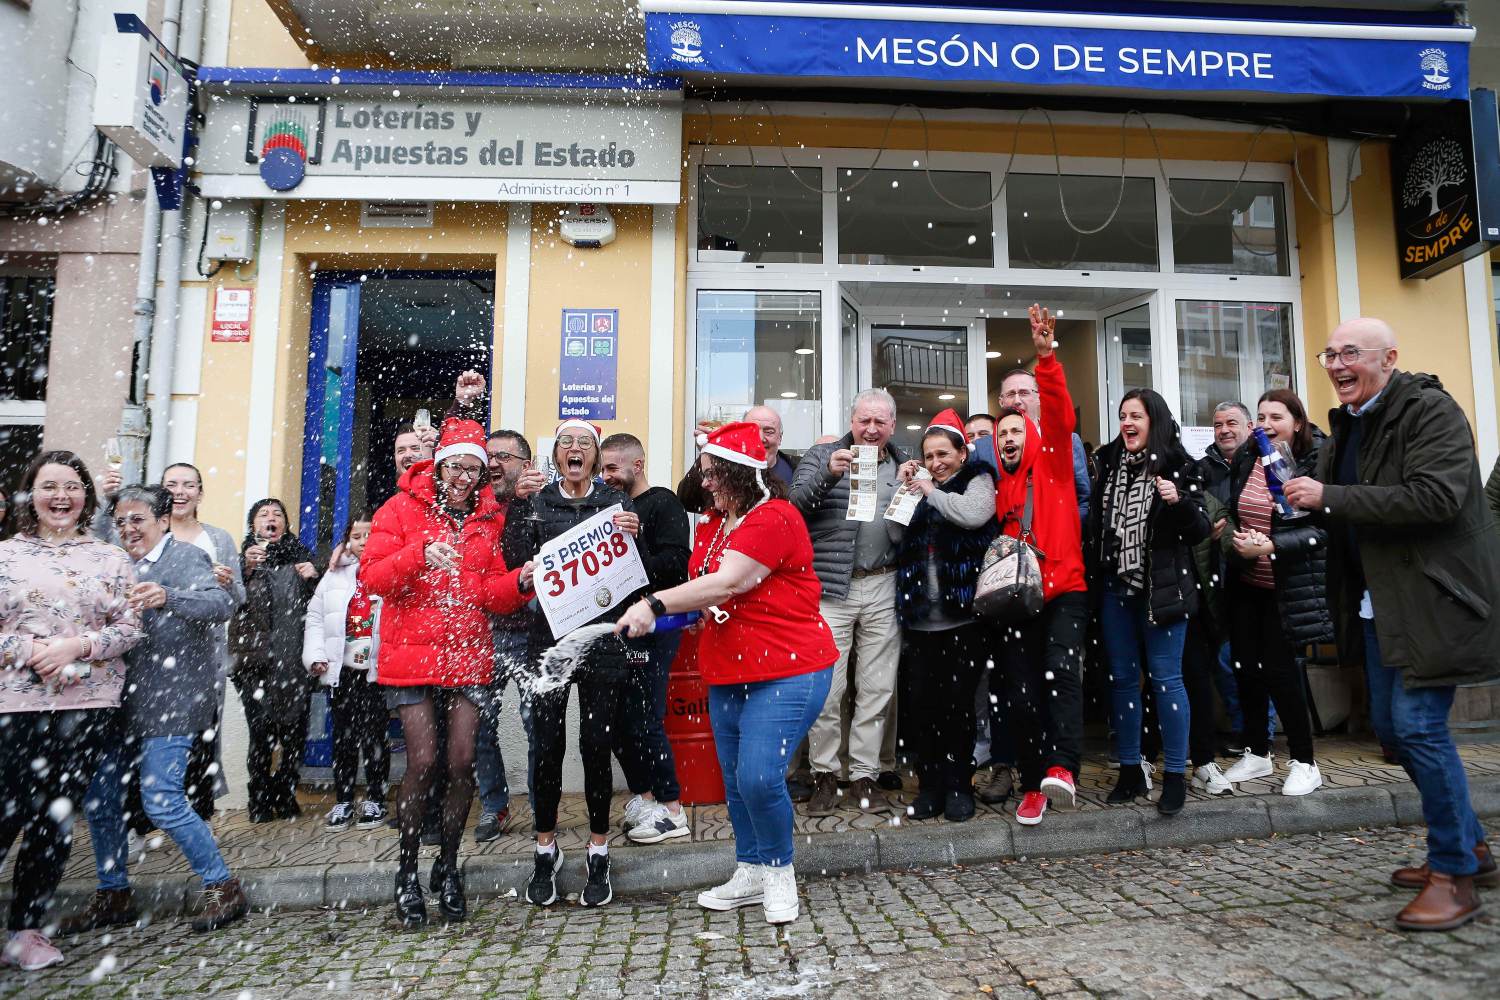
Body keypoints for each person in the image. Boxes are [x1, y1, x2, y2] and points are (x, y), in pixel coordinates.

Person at [1284, 317, 1500, 931]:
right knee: (1393, 729)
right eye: (1330, 353)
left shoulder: (1429, 411)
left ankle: (1454, 873)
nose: (1337, 363)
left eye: (1352, 352)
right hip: (1382, 605)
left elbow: (1434, 497)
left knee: (1418, 726)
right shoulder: (1348, 424)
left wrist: (1326, 498)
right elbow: (1347, 511)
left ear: (1390, 358)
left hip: (1435, 599)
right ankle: (1473, 846)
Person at [616, 422, 836, 924]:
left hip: (788, 669)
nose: (707, 481)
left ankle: (780, 873)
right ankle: (750, 868)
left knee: (760, 777)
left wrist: (653, 601)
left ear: (741, 473)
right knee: (737, 782)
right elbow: (705, 602)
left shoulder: (775, 517)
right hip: (730, 671)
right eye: (706, 471)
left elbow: (727, 584)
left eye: (716, 472)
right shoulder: (715, 526)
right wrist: (655, 619)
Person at [363, 417, 527, 928]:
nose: (461, 478)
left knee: (461, 762)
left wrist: (525, 580)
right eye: (454, 467)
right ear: (438, 466)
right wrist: (417, 556)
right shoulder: (399, 508)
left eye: (472, 470)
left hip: (466, 653)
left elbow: (492, 594)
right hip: (411, 655)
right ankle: (408, 869)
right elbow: (372, 576)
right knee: (424, 762)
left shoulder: (490, 519)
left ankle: (449, 867)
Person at [65, 485, 244, 936]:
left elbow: (221, 604)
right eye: (121, 521)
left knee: (161, 800)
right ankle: (114, 893)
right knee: (101, 801)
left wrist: (169, 597)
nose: (128, 529)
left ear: (163, 521)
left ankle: (223, 886)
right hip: (114, 702)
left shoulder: (185, 557)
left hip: (171, 701)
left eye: (137, 520)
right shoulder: (111, 561)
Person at [0, 451, 141, 971]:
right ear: (29, 494)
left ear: (86, 495)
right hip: (15, 705)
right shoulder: (6, 556)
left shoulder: (109, 557)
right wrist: (32, 652)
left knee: (54, 817)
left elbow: (129, 628)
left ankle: (27, 930)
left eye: (71, 487)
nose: (61, 497)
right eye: (49, 486)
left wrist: (78, 646)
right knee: (7, 810)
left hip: (87, 704)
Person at [502, 418, 645, 910]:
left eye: (585, 443)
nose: (576, 449)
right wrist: (517, 508)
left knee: (596, 745)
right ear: (556, 455)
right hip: (549, 644)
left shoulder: (615, 502)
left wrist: (636, 530)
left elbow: (637, 575)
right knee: (546, 746)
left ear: (596, 453)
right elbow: (514, 562)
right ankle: (545, 848)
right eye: (567, 443)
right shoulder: (536, 502)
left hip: (601, 642)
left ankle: (598, 847)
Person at [989, 305, 1090, 827]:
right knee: (1021, 693)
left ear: (1031, 433)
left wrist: (1046, 356)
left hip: (1064, 589)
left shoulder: (1052, 459)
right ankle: (1032, 784)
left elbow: (1059, 413)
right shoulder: (997, 482)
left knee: (1060, 677)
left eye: (1016, 430)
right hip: (1016, 598)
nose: (1008, 437)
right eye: (1000, 432)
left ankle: (1063, 768)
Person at [1089, 389, 1210, 817]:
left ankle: (1174, 775)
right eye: (1122, 415)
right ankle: (1130, 770)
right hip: (1114, 589)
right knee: (1121, 681)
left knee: (1166, 680)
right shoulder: (1105, 462)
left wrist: (1176, 503)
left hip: (1161, 590)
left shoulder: (1180, 465)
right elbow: (1097, 525)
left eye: (1135, 416)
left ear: (1153, 421)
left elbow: (1199, 530)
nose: (1127, 423)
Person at [790, 390, 908, 816]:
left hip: (884, 582)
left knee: (877, 689)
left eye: (880, 422)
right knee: (827, 689)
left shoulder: (902, 463)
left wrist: (915, 489)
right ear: (852, 421)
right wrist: (828, 475)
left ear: (892, 426)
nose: (871, 430)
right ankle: (825, 774)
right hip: (831, 589)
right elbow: (793, 508)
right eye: (864, 421)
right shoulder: (823, 454)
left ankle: (863, 775)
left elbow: (911, 525)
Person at [1219, 390, 1332, 796]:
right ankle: (1257, 752)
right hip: (1247, 580)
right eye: (1261, 416)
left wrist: (1271, 546)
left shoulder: (1315, 460)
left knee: (1282, 674)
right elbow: (1236, 510)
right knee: (1245, 667)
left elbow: (1323, 530)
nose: (1266, 424)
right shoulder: (1250, 454)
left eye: (1276, 417)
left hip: (1288, 586)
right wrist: (1235, 534)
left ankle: (1305, 761)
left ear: (1297, 422)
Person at [889, 410, 997, 823]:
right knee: (923, 708)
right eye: (929, 455)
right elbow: (897, 535)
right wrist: (906, 492)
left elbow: (972, 515)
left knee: (958, 708)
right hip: (920, 620)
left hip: (963, 618)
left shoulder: (977, 480)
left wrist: (931, 489)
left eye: (943, 454)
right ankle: (930, 786)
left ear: (962, 453)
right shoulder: (920, 488)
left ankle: (959, 785)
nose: (936, 462)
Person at [600, 433, 693, 844]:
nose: (605, 477)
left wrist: (634, 540)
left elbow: (675, 569)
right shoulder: (605, 506)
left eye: (611, 468)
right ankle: (645, 796)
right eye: (601, 468)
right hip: (618, 629)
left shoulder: (663, 503)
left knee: (645, 717)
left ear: (636, 465)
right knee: (618, 723)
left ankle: (673, 810)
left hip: (655, 630)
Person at [473, 426, 546, 843]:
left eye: (504, 456)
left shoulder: (542, 503)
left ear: (526, 465)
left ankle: (541, 807)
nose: (495, 463)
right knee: (481, 726)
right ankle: (494, 806)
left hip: (531, 633)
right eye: (490, 456)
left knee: (537, 724)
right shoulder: (475, 507)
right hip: (482, 632)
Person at [161, 462, 245, 820]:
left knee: (201, 735)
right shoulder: (148, 533)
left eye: (188, 485)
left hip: (202, 654)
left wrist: (226, 585)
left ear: (200, 493)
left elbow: (239, 597)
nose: (180, 492)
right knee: (149, 737)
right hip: (150, 650)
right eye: (172, 484)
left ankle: (198, 815)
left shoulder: (219, 539)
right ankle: (144, 817)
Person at [229, 498, 319, 823]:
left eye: (277, 514)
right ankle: (260, 798)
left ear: (285, 524)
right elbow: (229, 601)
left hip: (295, 659)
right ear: (253, 525)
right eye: (263, 515)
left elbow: (321, 606)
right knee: (262, 733)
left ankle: (285, 792)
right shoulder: (243, 560)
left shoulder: (303, 557)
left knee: (294, 735)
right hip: (255, 664)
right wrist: (245, 569)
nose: (271, 519)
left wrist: (314, 577)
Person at [1196, 403, 1276, 754]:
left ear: (1247, 426)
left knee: (1245, 655)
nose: (1224, 430)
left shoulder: (1261, 462)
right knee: (1225, 656)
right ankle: (1245, 729)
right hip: (1214, 571)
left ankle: (1260, 733)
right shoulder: (1201, 468)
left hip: (1255, 569)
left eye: (1232, 423)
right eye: (1217, 424)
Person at [303, 513, 389, 831]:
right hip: (343, 669)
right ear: (347, 540)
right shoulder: (334, 575)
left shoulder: (389, 569)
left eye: (371, 534)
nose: (364, 541)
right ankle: (343, 799)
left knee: (374, 736)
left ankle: (376, 799)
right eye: (357, 535)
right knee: (344, 738)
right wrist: (315, 656)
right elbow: (315, 615)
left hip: (376, 670)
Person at [994, 367, 1091, 524]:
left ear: (1038, 397)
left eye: (1024, 393)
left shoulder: (1067, 442)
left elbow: (1082, 500)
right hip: (1008, 543)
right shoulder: (988, 447)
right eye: (1011, 394)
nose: (1017, 400)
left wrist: (1063, 532)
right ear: (1001, 401)